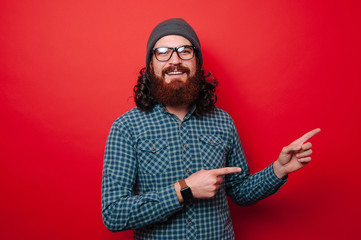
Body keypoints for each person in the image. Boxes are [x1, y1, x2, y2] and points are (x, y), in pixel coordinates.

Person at [101, 18, 320, 240]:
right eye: (163, 52)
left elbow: (240, 192)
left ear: (196, 62)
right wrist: (183, 190)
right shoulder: (126, 127)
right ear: (150, 65)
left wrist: (279, 169)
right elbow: (114, 214)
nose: (175, 60)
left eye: (185, 51)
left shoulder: (222, 121)